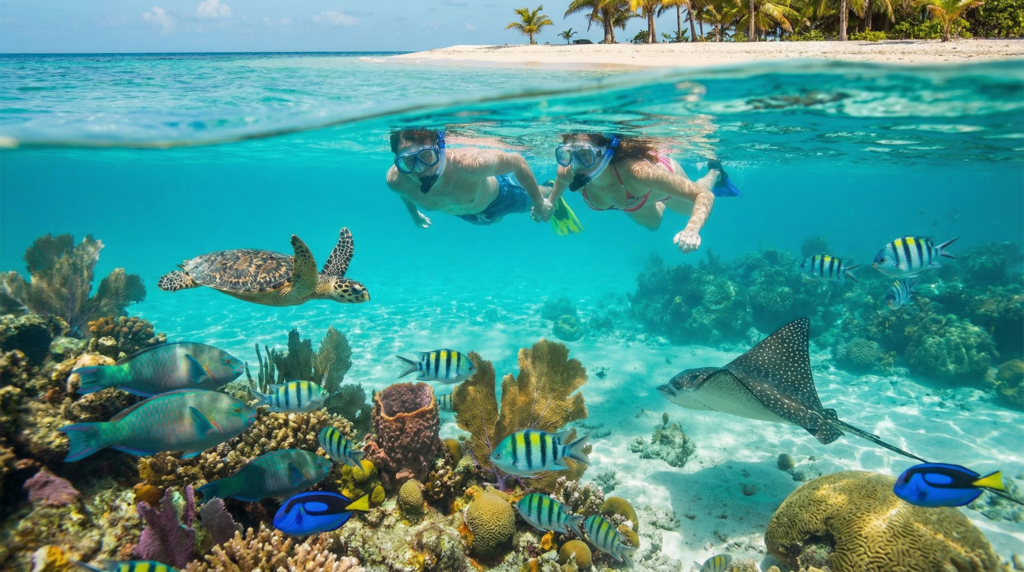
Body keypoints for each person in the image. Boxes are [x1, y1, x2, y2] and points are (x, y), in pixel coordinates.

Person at [546, 133, 739, 253]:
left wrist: (691, 230)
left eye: (585, 155)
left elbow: (703, 196)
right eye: (568, 155)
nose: (576, 165)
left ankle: (714, 172)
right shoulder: (567, 171)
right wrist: (549, 202)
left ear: (604, 154)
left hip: (660, 184)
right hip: (634, 201)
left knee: (691, 205)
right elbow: (560, 183)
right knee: (653, 225)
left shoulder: (638, 173)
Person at [386, 129, 554, 227]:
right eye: (408, 161)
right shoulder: (397, 180)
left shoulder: (469, 165)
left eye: (426, 156)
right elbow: (404, 192)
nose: (420, 168)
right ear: (397, 162)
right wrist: (414, 214)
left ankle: (550, 190)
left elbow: (517, 161)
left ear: (440, 151)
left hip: (503, 197)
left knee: (539, 197)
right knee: (493, 222)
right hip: (471, 215)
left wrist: (539, 202)